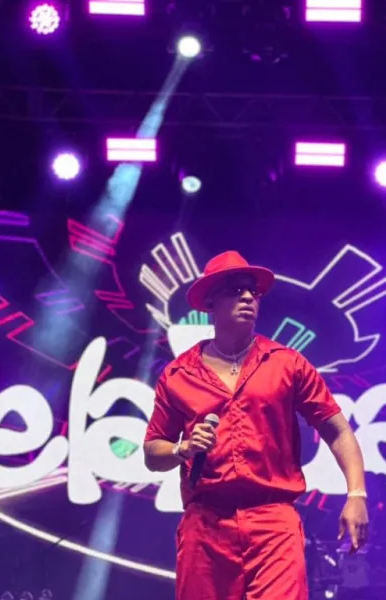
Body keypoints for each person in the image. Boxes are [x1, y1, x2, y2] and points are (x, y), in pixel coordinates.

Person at [143, 250, 369, 600]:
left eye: (253, 291)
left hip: (273, 522)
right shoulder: (178, 374)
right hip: (206, 525)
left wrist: (357, 494)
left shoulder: (287, 364)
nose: (248, 296)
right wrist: (181, 448)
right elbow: (152, 452)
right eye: (235, 290)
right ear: (211, 303)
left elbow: (337, 430)